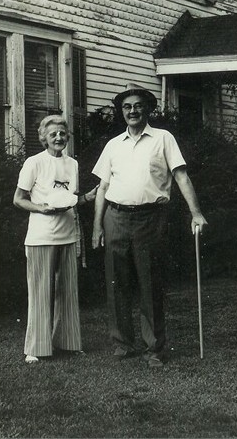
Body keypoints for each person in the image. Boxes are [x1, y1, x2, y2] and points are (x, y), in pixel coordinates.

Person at [91, 83, 207, 368]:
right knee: (117, 283)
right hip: (115, 217)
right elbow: (103, 187)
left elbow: (180, 177)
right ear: (122, 112)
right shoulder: (113, 145)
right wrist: (97, 226)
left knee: (150, 283)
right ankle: (122, 344)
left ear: (148, 109)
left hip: (150, 219)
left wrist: (197, 214)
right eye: (127, 107)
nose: (132, 111)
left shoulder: (163, 138)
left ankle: (154, 348)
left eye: (138, 105)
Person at [13, 114, 97, 363]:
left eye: (62, 133)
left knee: (67, 291)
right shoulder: (34, 162)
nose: (59, 137)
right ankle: (36, 348)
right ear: (44, 139)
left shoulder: (73, 164)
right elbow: (18, 199)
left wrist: (89, 198)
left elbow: (72, 200)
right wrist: (41, 208)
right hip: (41, 236)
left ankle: (68, 343)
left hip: (68, 235)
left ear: (67, 136)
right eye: (53, 134)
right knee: (41, 292)